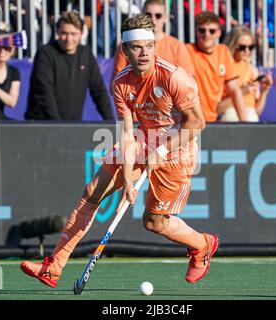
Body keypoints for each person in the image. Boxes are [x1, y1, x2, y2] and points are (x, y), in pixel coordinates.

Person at [20, 13, 219, 287]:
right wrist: (127, 178)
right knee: (92, 192)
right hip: (142, 140)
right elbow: (127, 133)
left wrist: (161, 152)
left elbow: (197, 123)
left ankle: (202, 245)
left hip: (178, 149)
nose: (144, 53)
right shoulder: (121, 83)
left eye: (149, 46)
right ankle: (53, 267)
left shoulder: (175, 77)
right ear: (125, 50)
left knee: (154, 223)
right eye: (136, 47)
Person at [25, 11, 114, 121]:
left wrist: (110, 122)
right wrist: (58, 125)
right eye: (64, 33)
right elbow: (44, 93)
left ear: (81, 33)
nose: (69, 39)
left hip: (71, 126)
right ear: (57, 31)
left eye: (73, 34)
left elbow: (99, 92)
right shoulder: (45, 53)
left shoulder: (86, 54)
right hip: (43, 125)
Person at [111, 0, 195, 84]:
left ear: (166, 18)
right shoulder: (128, 44)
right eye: (148, 15)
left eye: (158, 15)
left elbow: (189, 82)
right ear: (142, 15)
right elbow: (116, 83)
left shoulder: (177, 46)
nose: (153, 20)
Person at [186, 11, 247, 122]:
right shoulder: (186, 51)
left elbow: (234, 89)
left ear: (219, 33)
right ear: (196, 32)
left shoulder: (223, 51)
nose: (207, 34)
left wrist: (245, 123)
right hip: (190, 120)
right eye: (202, 30)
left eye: (212, 31)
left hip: (213, 118)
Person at [218, 26, 273, 121]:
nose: (247, 51)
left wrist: (264, 92)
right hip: (228, 119)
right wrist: (241, 92)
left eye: (251, 47)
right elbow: (217, 109)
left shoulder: (251, 70)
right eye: (242, 47)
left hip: (249, 118)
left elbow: (256, 112)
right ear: (232, 44)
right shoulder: (222, 67)